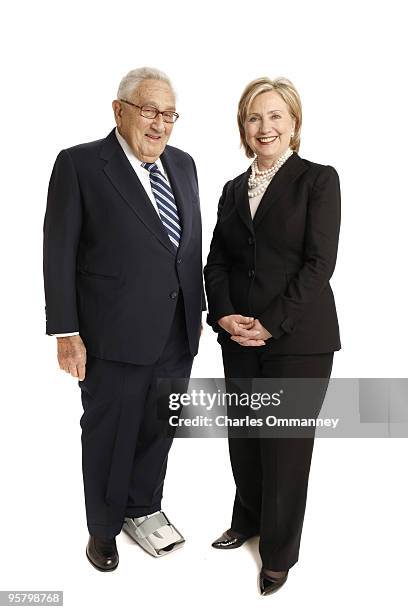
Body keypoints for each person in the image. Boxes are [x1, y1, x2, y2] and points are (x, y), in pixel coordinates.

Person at [43, 67, 205, 572]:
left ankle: (142, 508)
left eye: (169, 115)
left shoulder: (184, 165)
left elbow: (186, 248)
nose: (159, 125)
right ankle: (104, 528)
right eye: (149, 111)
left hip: (178, 329)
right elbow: (58, 251)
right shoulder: (81, 165)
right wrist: (66, 332)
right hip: (111, 335)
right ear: (119, 111)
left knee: (160, 428)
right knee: (110, 434)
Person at [204, 76, 341, 596]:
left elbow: (318, 264)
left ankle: (279, 553)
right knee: (244, 437)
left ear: (294, 123)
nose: (265, 126)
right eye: (254, 117)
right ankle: (248, 521)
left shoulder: (318, 180)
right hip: (238, 337)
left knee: (284, 445)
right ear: (243, 126)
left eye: (275, 116)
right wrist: (224, 315)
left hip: (298, 341)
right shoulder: (231, 189)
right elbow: (216, 262)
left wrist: (271, 322)